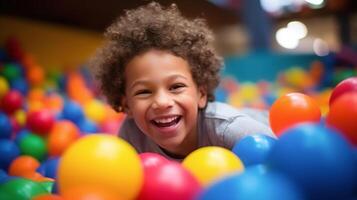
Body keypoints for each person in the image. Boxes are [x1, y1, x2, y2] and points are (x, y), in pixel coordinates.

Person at [90, 2, 275, 161]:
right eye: (144, 92)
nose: (162, 102)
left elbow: (282, 162)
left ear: (201, 94)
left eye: (176, 87)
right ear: (126, 104)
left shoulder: (230, 129)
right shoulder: (131, 135)